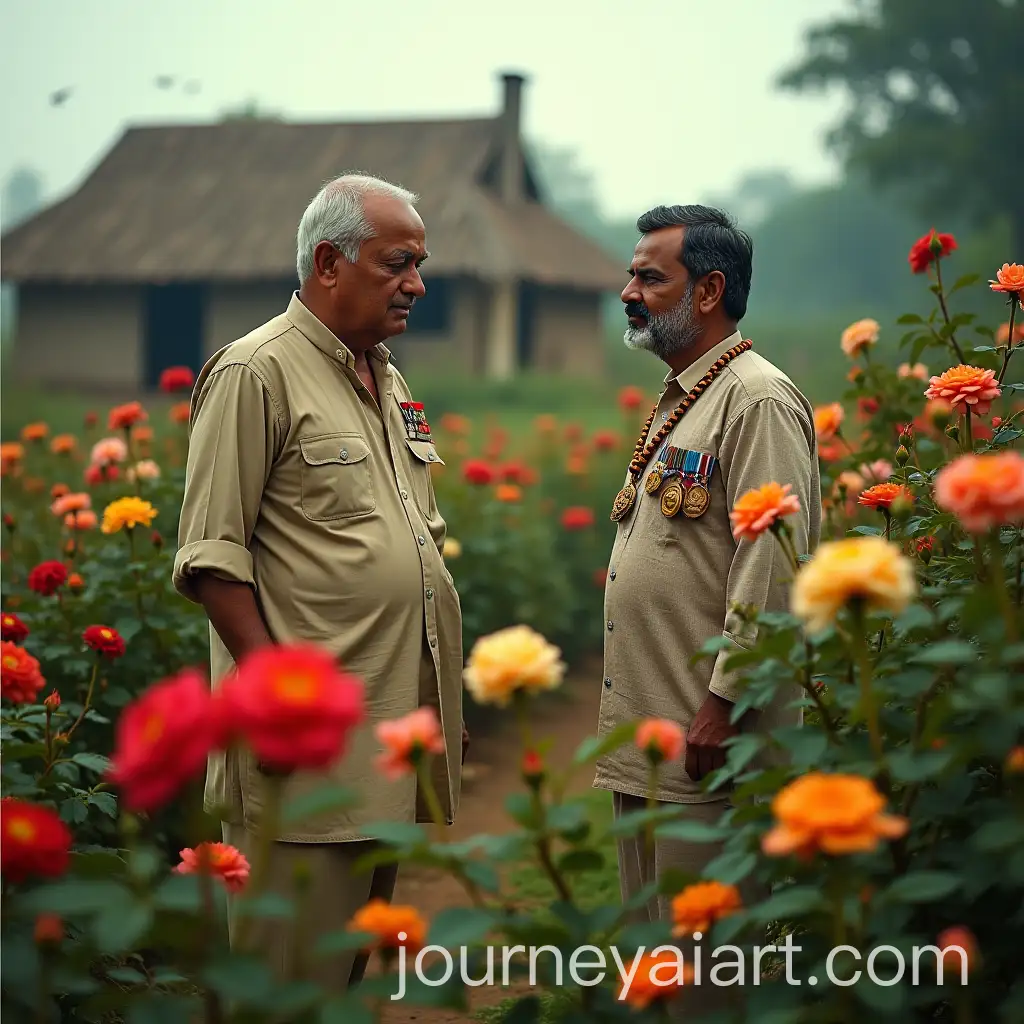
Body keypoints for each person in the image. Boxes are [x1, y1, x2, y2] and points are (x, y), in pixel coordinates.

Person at [172, 174, 466, 990]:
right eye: (398, 263)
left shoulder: (388, 379)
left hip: (385, 741)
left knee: (342, 979)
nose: (418, 283)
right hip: (305, 759)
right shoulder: (254, 372)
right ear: (330, 264)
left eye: (420, 263)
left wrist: (434, 706)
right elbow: (212, 559)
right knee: (289, 985)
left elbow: (413, 543)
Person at [592, 204, 821, 1016]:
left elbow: (775, 565)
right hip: (658, 739)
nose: (628, 291)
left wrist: (723, 703)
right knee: (658, 965)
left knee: (709, 976)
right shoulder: (688, 394)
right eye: (632, 273)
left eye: (649, 277)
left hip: (709, 749)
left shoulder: (755, 399)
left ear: (711, 288)